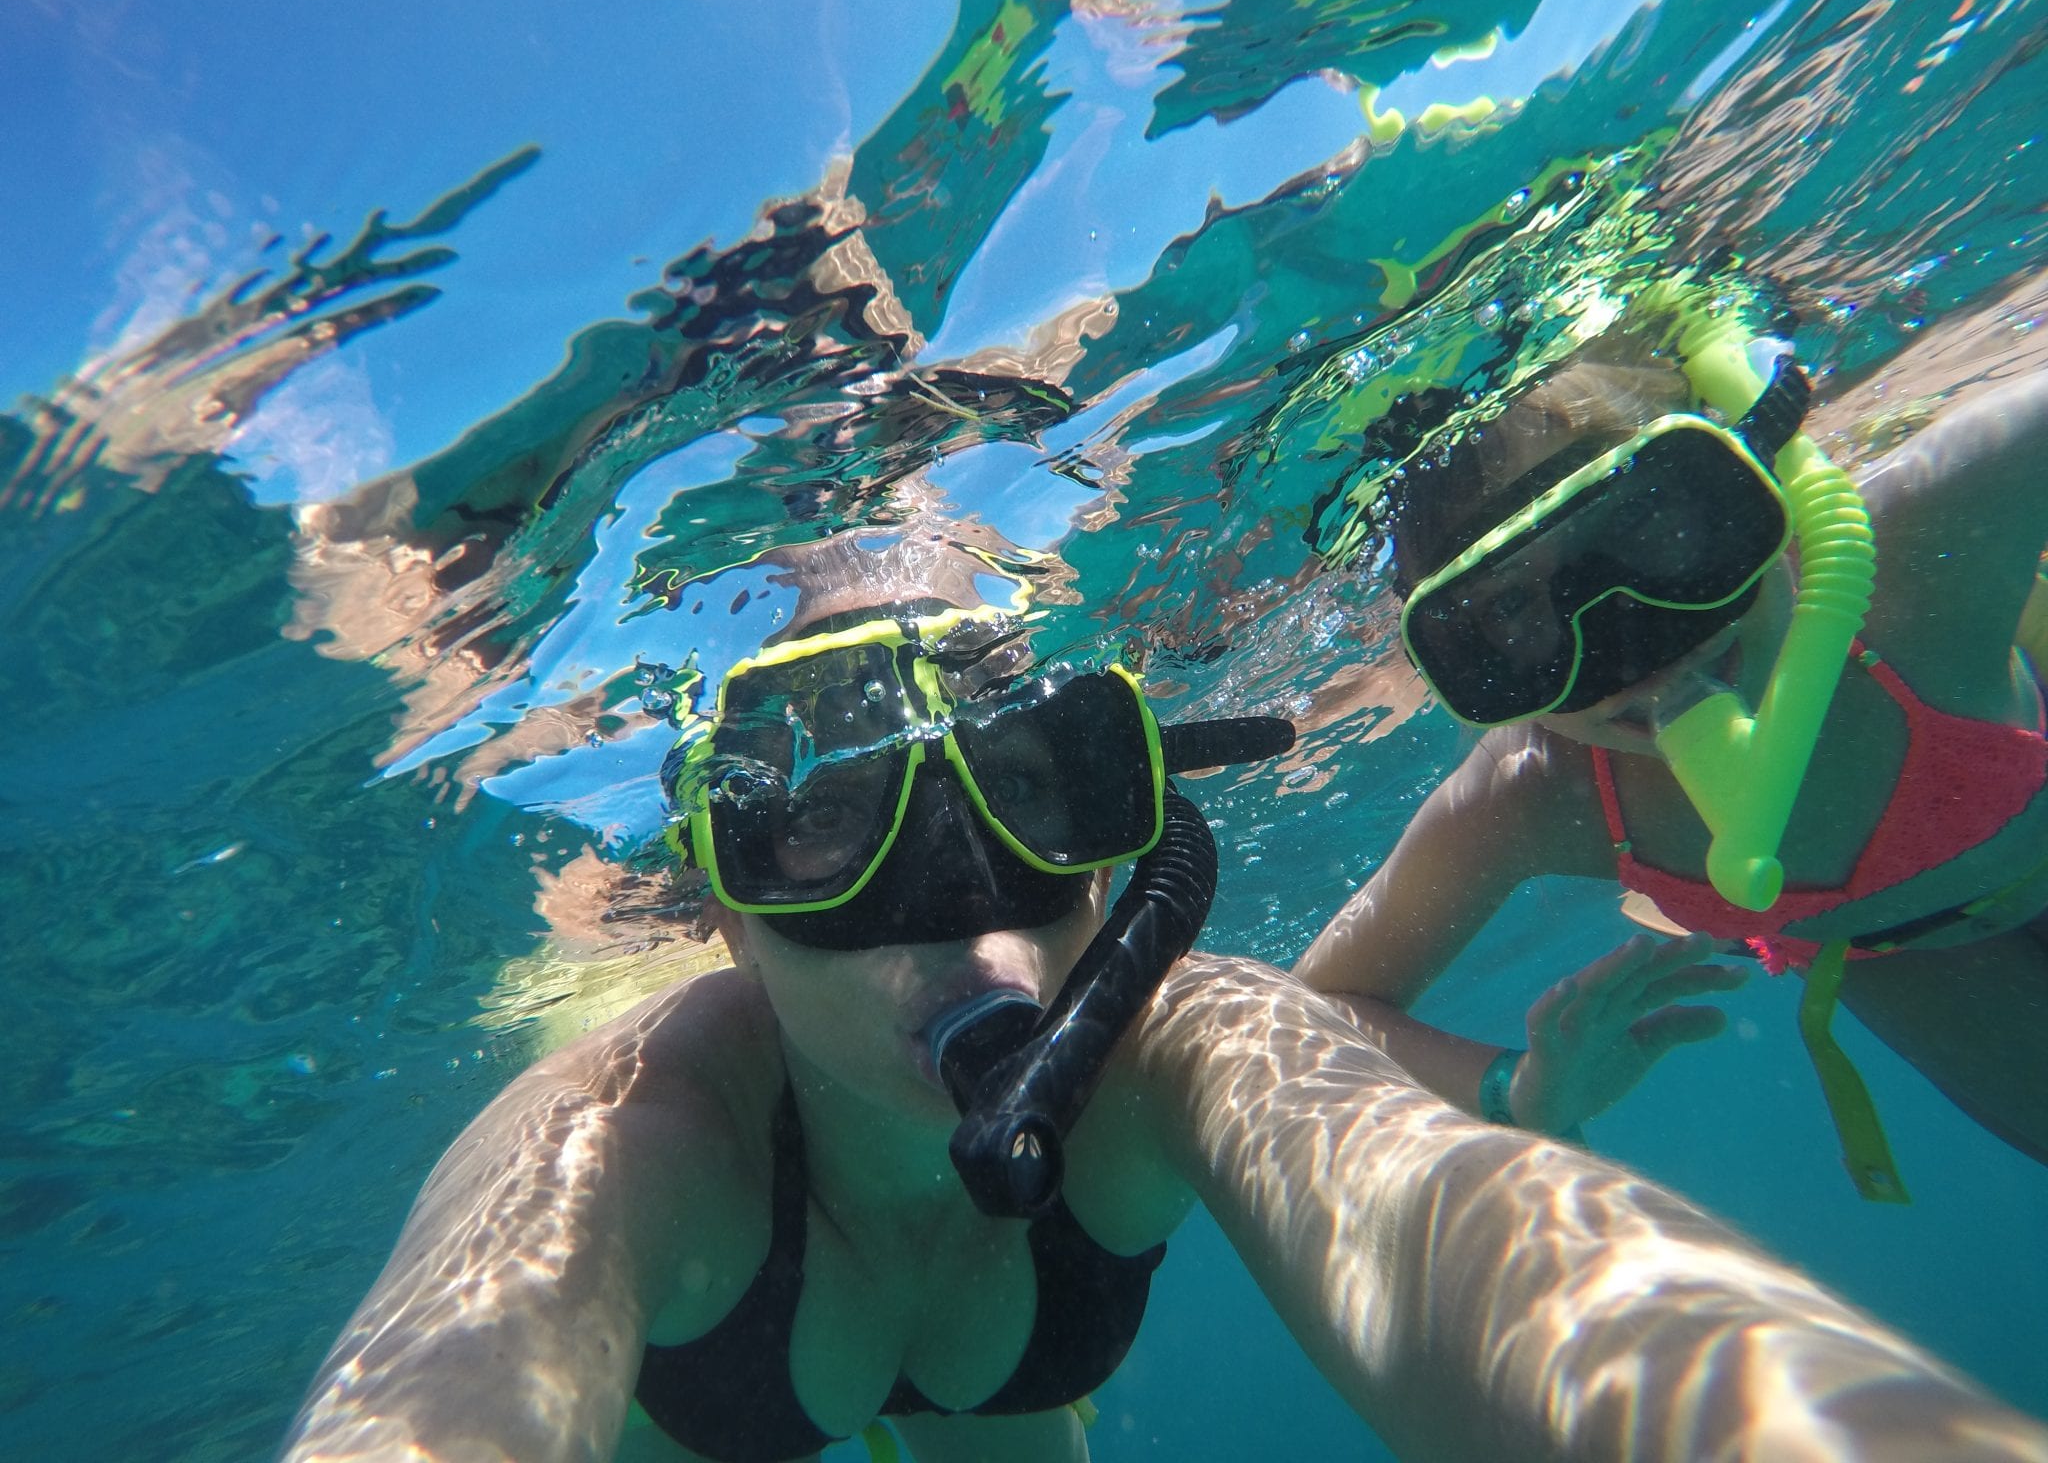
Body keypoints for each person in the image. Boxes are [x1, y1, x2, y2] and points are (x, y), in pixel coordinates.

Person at [283, 532, 2048, 1463]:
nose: (979, 938)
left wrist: (1499, 1106)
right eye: (832, 837)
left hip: (1006, 1371)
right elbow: (451, 1395)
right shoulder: (626, 1152)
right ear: (729, 911)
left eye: (1038, 797)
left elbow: (1408, 1191)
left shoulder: (1165, 1039)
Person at [1297, 281, 2048, 1193]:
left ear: (1748, 470)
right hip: (1904, 959)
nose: (1631, 642)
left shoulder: (1910, 560)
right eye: (1514, 613)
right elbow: (1318, 1014)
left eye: (1650, 522)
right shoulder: (1546, 789)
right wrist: (1517, 1092)